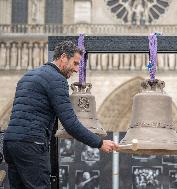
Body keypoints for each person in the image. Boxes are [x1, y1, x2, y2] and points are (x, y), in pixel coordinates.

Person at [3, 41, 118, 189]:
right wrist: (100, 143)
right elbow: (70, 124)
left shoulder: (27, 76)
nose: (77, 69)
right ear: (63, 57)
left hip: (10, 143)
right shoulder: (57, 80)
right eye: (75, 63)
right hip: (31, 145)